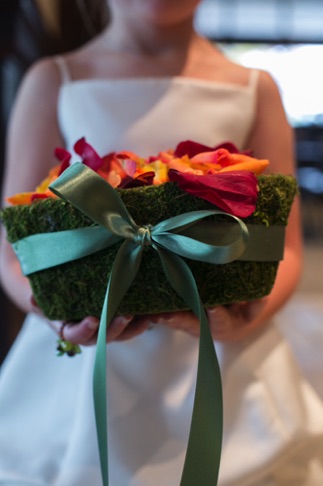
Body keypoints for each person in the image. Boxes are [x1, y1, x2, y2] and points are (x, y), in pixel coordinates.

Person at [0, 0, 322, 484]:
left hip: (223, 356)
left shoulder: (255, 87)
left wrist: (247, 317)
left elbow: (286, 246)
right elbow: (13, 248)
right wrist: (56, 315)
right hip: (87, 368)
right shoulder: (55, 79)